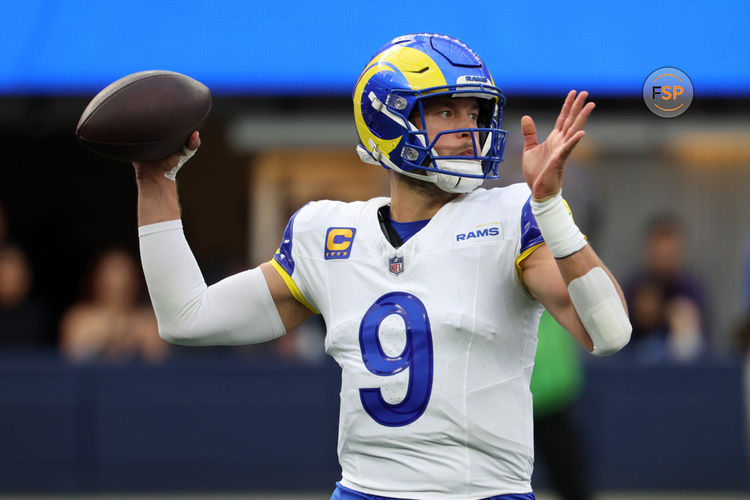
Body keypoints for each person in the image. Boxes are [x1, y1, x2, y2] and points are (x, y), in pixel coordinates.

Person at [133, 34, 631, 499]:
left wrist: (550, 209)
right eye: (445, 110)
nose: (469, 129)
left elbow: (608, 332)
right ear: (389, 119)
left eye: (475, 111)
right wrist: (156, 183)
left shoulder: (510, 218)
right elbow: (187, 318)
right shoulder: (326, 233)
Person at [59, 248, 168, 363]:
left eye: (125, 275)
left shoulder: (150, 320)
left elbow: (158, 358)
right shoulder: (78, 318)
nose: (117, 282)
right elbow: (73, 356)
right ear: (96, 281)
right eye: (110, 276)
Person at [625, 215, 707, 362]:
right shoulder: (634, 289)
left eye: (669, 255)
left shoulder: (692, 290)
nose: (664, 262)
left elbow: (704, 343)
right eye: (659, 255)